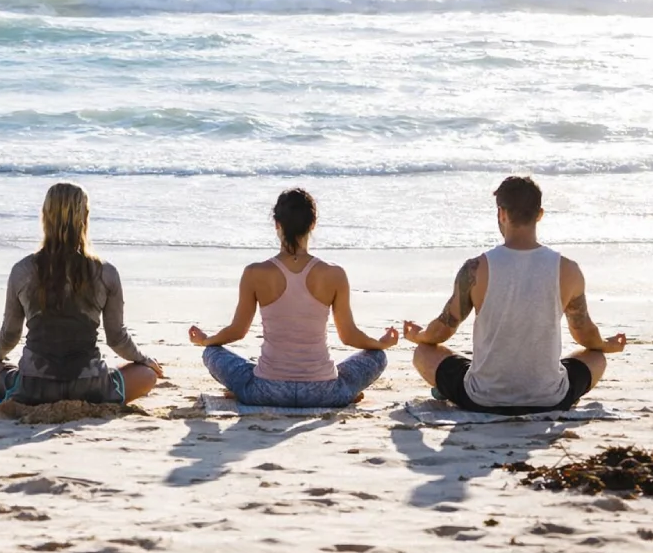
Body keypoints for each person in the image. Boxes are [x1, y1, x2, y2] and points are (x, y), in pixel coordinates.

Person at [403, 176, 626, 415]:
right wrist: (606, 345)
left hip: (483, 399)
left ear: (501, 213)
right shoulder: (568, 269)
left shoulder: (475, 268)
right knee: (596, 358)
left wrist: (419, 336)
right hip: (550, 399)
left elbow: (442, 330)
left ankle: (447, 389)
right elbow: (584, 333)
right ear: (539, 214)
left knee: (423, 352)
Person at [188, 188, 396, 407]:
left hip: (266, 391)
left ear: (277, 224)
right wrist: (379, 343)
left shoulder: (254, 272)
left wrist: (205, 340)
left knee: (212, 352)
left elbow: (237, 331)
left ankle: (241, 390)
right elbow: (349, 336)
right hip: (324, 393)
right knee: (378, 356)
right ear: (313, 224)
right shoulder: (334, 274)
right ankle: (346, 392)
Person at [0, 182, 162, 405]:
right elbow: (117, 338)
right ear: (85, 217)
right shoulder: (106, 273)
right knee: (146, 375)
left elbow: (10, 334)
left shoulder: (22, 270)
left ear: (45, 216)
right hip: (90, 386)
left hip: (33, 387)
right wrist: (143, 359)